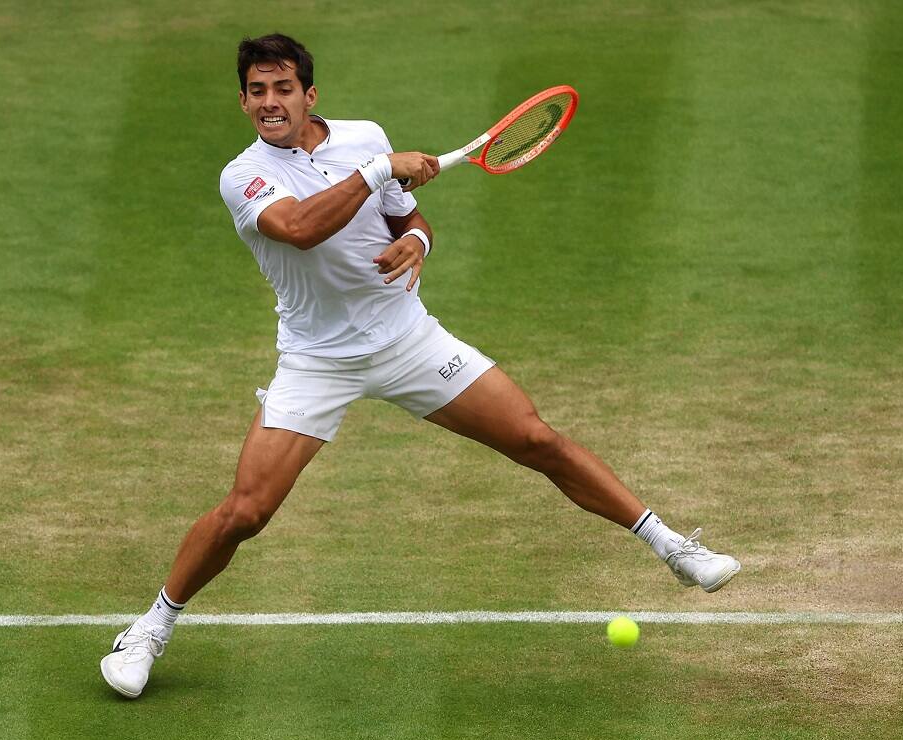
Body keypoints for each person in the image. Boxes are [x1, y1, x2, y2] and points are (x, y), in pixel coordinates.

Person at [100, 33, 740, 699]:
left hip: (407, 340)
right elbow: (299, 228)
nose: (270, 102)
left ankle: (673, 547)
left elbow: (412, 219)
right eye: (257, 91)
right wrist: (379, 171)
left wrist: (414, 242)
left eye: (283, 88)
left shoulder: (365, 136)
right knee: (247, 511)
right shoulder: (244, 175)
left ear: (309, 95)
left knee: (535, 438)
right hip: (319, 361)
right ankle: (150, 628)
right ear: (243, 101)